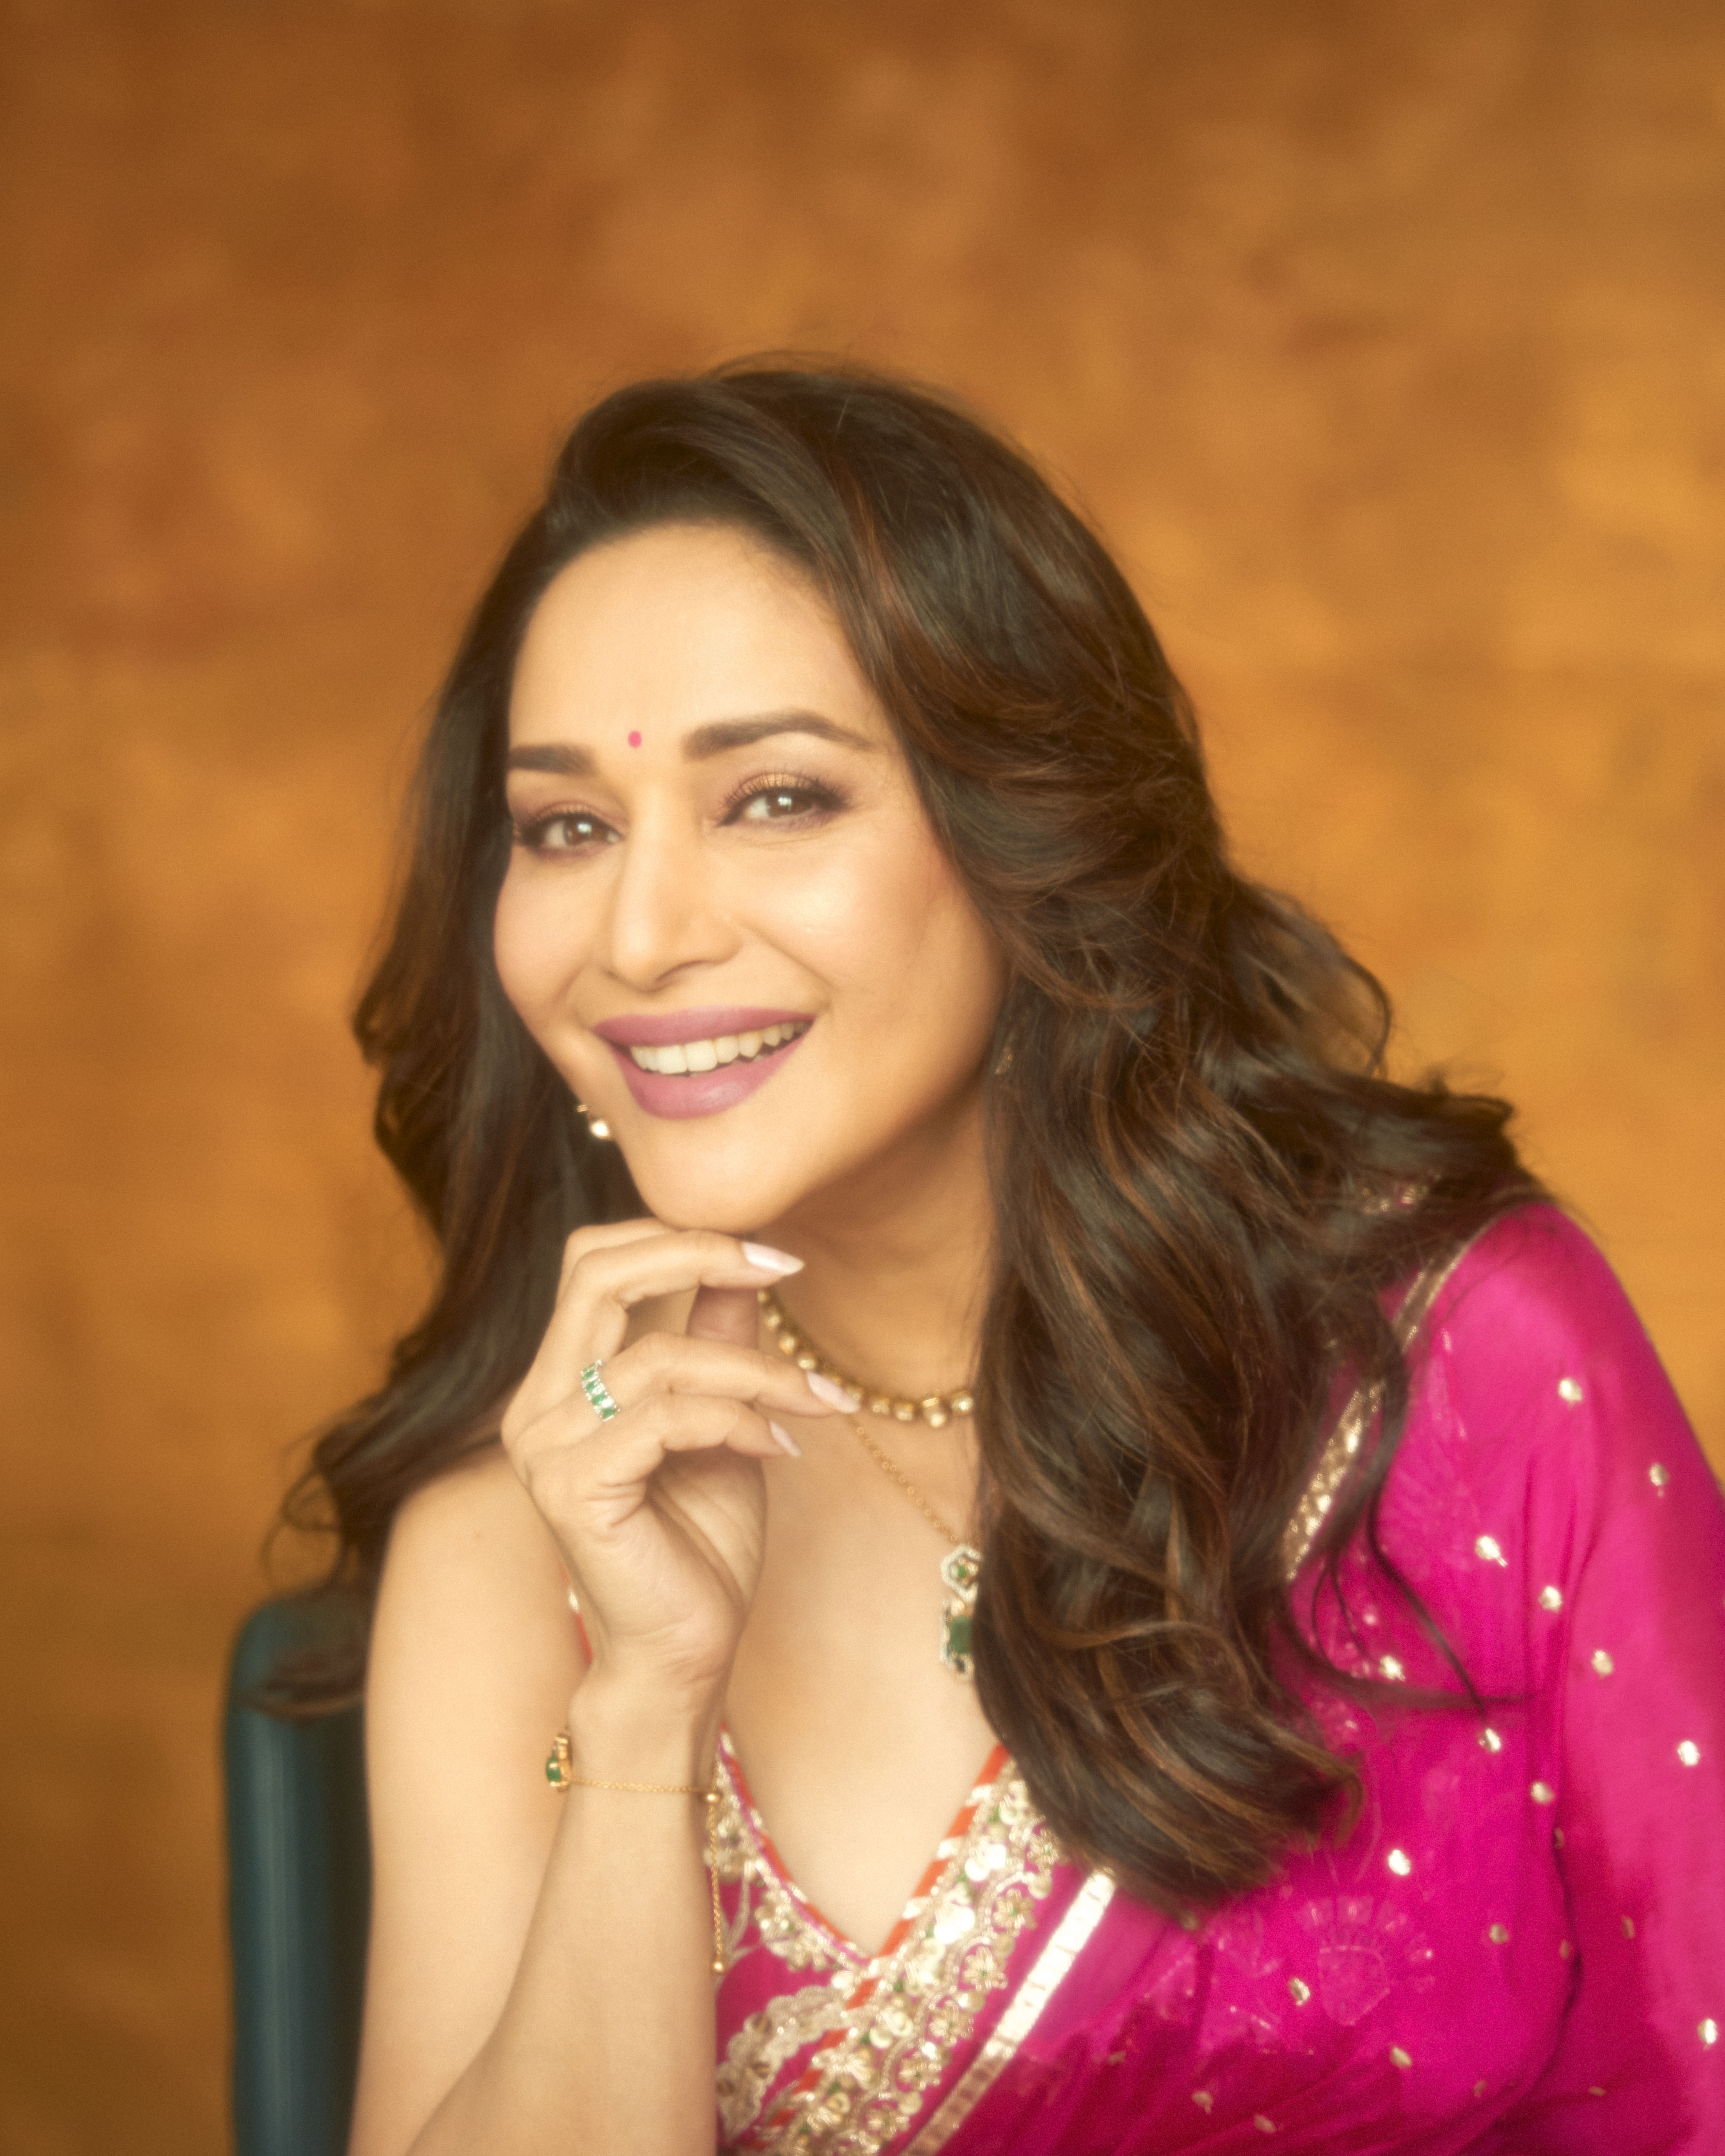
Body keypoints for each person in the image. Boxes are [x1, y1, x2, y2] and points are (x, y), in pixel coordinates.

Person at [290, 363, 1725, 2156]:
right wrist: (642, 1719)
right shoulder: (526, 1542)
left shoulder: (1456, 1369)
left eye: (776, 799)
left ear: (1025, 833)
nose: (639, 936)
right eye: (567, 827)